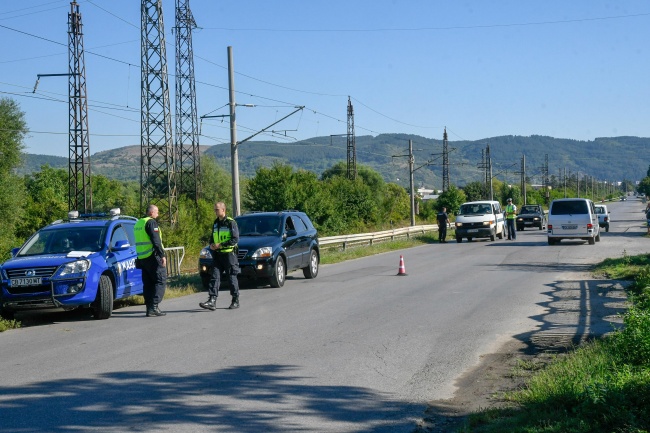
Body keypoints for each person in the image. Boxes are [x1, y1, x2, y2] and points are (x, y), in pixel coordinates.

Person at [199, 202, 240, 311]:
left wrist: (220, 245)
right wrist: (212, 244)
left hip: (229, 254)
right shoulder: (216, 223)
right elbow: (213, 237)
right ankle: (212, 300)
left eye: (217, 209)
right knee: (215, 276)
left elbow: (235, 239)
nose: (215, 211)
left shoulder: (230, 222)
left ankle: (235, 300)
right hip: (218, 254)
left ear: (223, 210)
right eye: (215, 210)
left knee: (232, 277)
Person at [134, 204, 167, 317]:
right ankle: (154, 306)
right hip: (152, 256)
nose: (158, 213)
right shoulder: (151, 222)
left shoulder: (138, 223)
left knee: (148, 284)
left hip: (142, 258)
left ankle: (149, 308)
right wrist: (162, 255)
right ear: (151, 213)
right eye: (157, 211)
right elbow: (156, 240)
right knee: (160, 281)